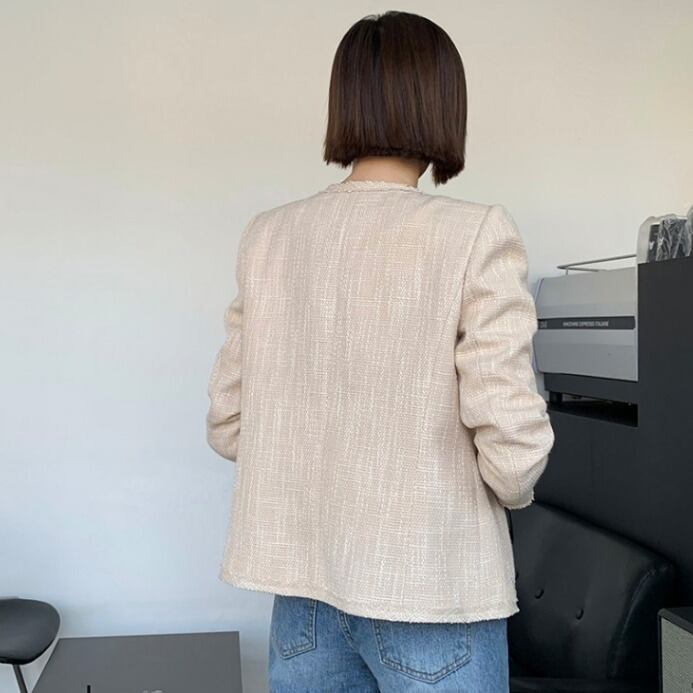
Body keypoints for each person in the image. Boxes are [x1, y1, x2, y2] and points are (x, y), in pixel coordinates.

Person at [206, 10, 554, 692]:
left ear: (345, 103)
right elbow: (513, 456)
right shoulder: (474, 234)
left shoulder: (268, 236)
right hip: (431, 586)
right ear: (442, 106)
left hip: (303, 592)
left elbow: (228, 423)